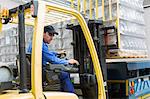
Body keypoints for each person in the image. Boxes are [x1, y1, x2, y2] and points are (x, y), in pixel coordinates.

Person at [27, 25, 79, 93]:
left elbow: (47, 54)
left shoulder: (36, 43)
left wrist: (57, 53)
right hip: (42, 74)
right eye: (50, 34)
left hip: (38, 71)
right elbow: (53, 60)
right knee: (64, 75)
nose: (52, 38)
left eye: (53, 35)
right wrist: (68, 61)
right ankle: (71, 95)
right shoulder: (40, 45)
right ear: (43, 33)